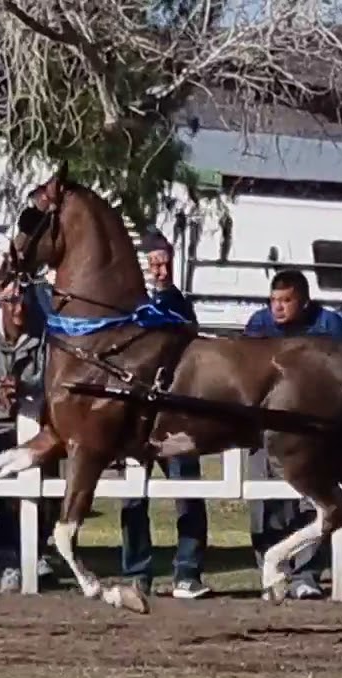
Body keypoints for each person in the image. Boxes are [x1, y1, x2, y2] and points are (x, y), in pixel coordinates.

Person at [243, 269, 342, 600]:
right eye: (274, 300)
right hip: (264, 428)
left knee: (311, 501)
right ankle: (271, 570)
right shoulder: (259, 326)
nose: (278, 308)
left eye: (286, 301)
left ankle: (308, 574)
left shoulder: (328, 326)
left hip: (309, 430)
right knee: (264, 501)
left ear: (304, 302)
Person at [119, 230, 211, 600]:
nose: (161, 270)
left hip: (175, 415)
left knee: (187, 491)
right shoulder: (128, 307)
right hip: (139, 416)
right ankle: (137, 572)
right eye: (155, 263)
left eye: (166, 262)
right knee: (133, 497)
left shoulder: (180, 305)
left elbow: (194, 344)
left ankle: (187, 572)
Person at [0, 282, 59, 594]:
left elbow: (48, 371)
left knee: (45, 490)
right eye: (12, 302)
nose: (19, 309)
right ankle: (7, 561)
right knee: (4, 497)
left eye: (24, 301)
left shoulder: (43, 331)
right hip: (1, 424)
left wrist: (23, 385)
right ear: (0, 301)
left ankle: (40, 554)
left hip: (38, 421)